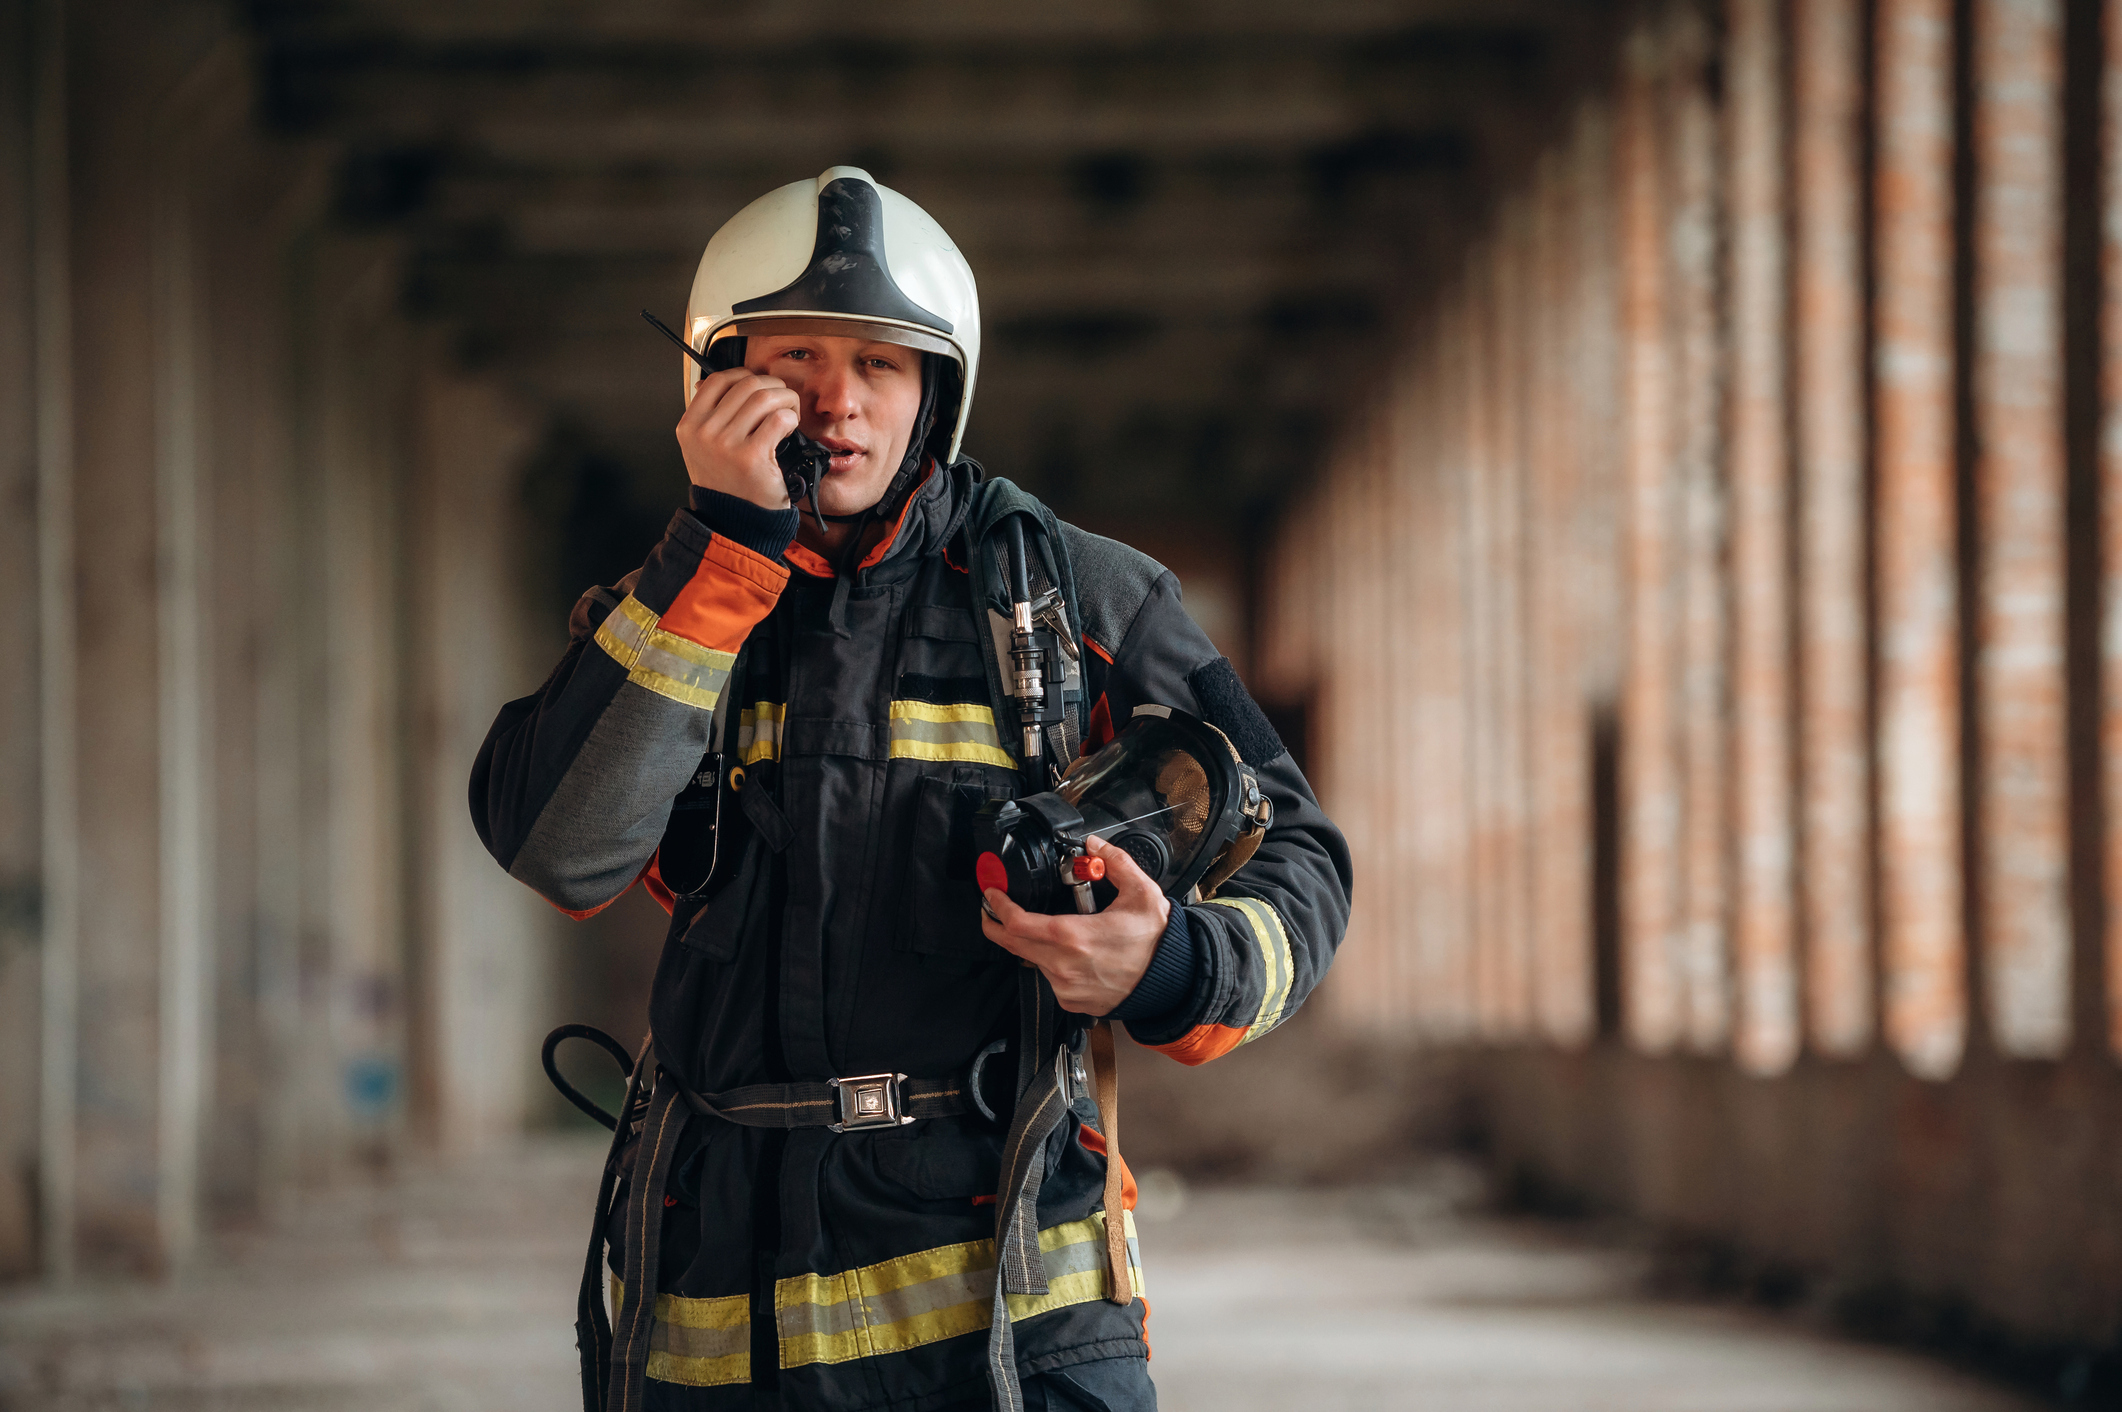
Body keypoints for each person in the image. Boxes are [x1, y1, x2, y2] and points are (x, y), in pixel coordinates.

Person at [471, 166, 1352, 1412]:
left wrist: (1166, 967)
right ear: (715, 377)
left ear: (937, 389)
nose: (837, 403)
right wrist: (717, 560)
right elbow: (560, 846)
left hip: (1015, 1326)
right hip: (720, 1320)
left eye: (881, 364)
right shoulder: (665, 610)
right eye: (794, 358)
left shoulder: (1081, 601)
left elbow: (1302, 856)